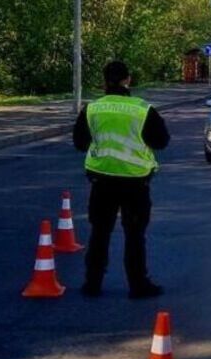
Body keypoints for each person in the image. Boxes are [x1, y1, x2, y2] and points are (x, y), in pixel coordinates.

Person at [71, 60, 169, 298]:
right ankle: (138, 285)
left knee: (99, 232)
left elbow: (79, 143)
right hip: (134, 182)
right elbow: (161, 141)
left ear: (104, 82)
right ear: (128, 80)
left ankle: (92, 283)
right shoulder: (143, 110)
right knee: (134, 235)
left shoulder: (92, 109)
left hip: (101, 181)